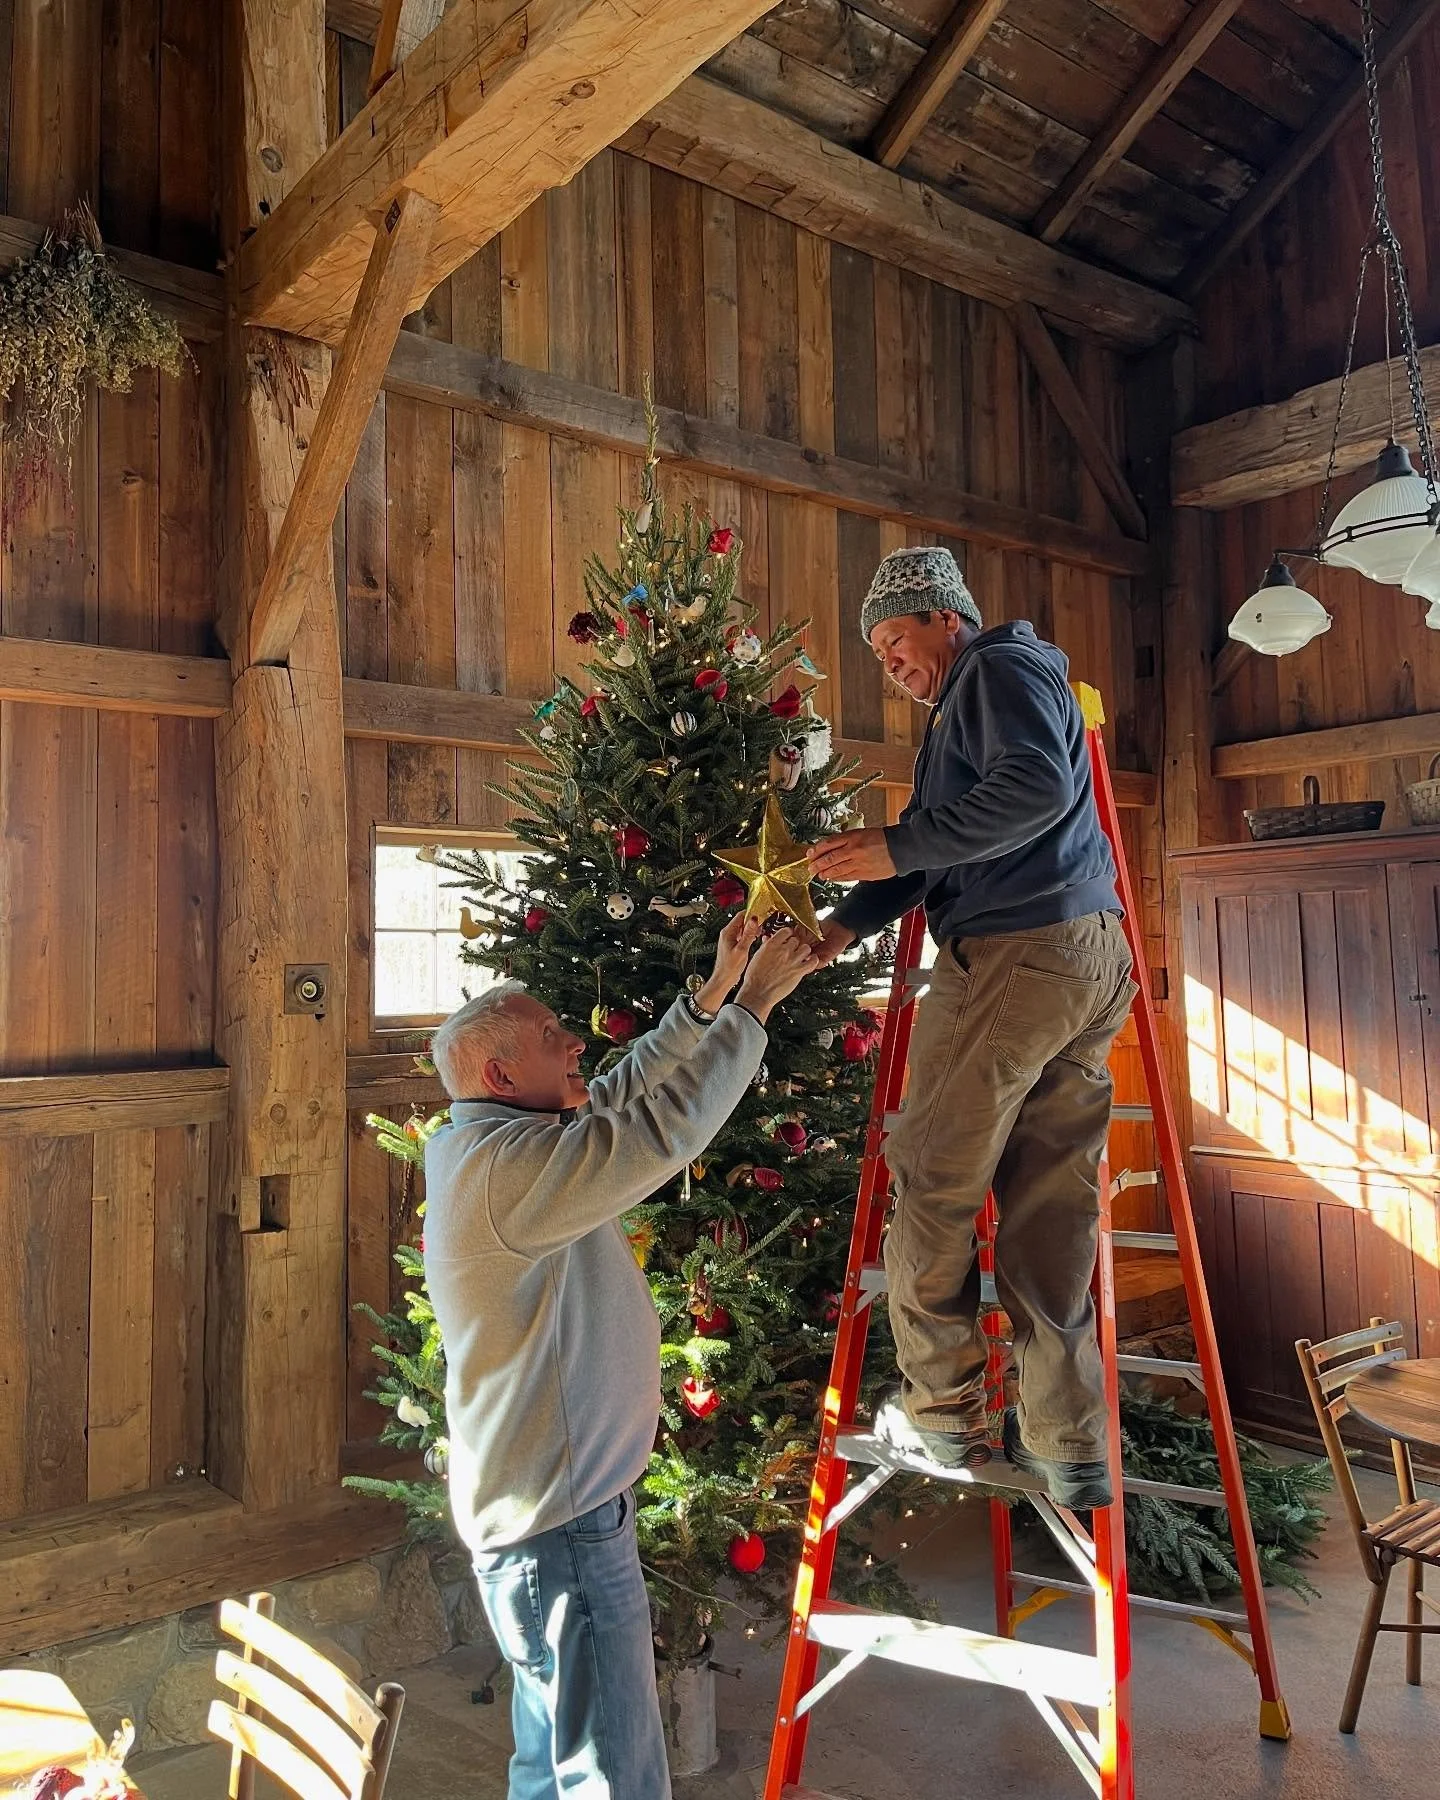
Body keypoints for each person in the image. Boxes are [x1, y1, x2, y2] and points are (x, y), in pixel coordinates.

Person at [423, 914, 816, 1800]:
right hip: (557, 1523)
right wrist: (752, 1007)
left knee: (554, 1762)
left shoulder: (497, 1138)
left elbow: (611, 1096)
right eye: (553, 1036)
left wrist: (709, 997)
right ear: (499, 1073)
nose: (576, 1044)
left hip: (545, 1515)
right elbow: (658, 1134)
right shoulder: (510, 1170)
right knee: (613, 1773)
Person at [807, 545, 1135, 1510]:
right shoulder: (981, 702)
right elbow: (939, 852)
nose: (888, 663)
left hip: (1016, 953)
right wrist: (843, 926)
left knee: (936, 1172)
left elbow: (1032, 794)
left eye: (894, 638)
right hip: (1081, 955)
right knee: (1047, 1202)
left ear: (945, 615)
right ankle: (1068, 1440)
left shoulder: (992, 667)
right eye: (874, 652)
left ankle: (945, 1411)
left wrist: (895, 839)